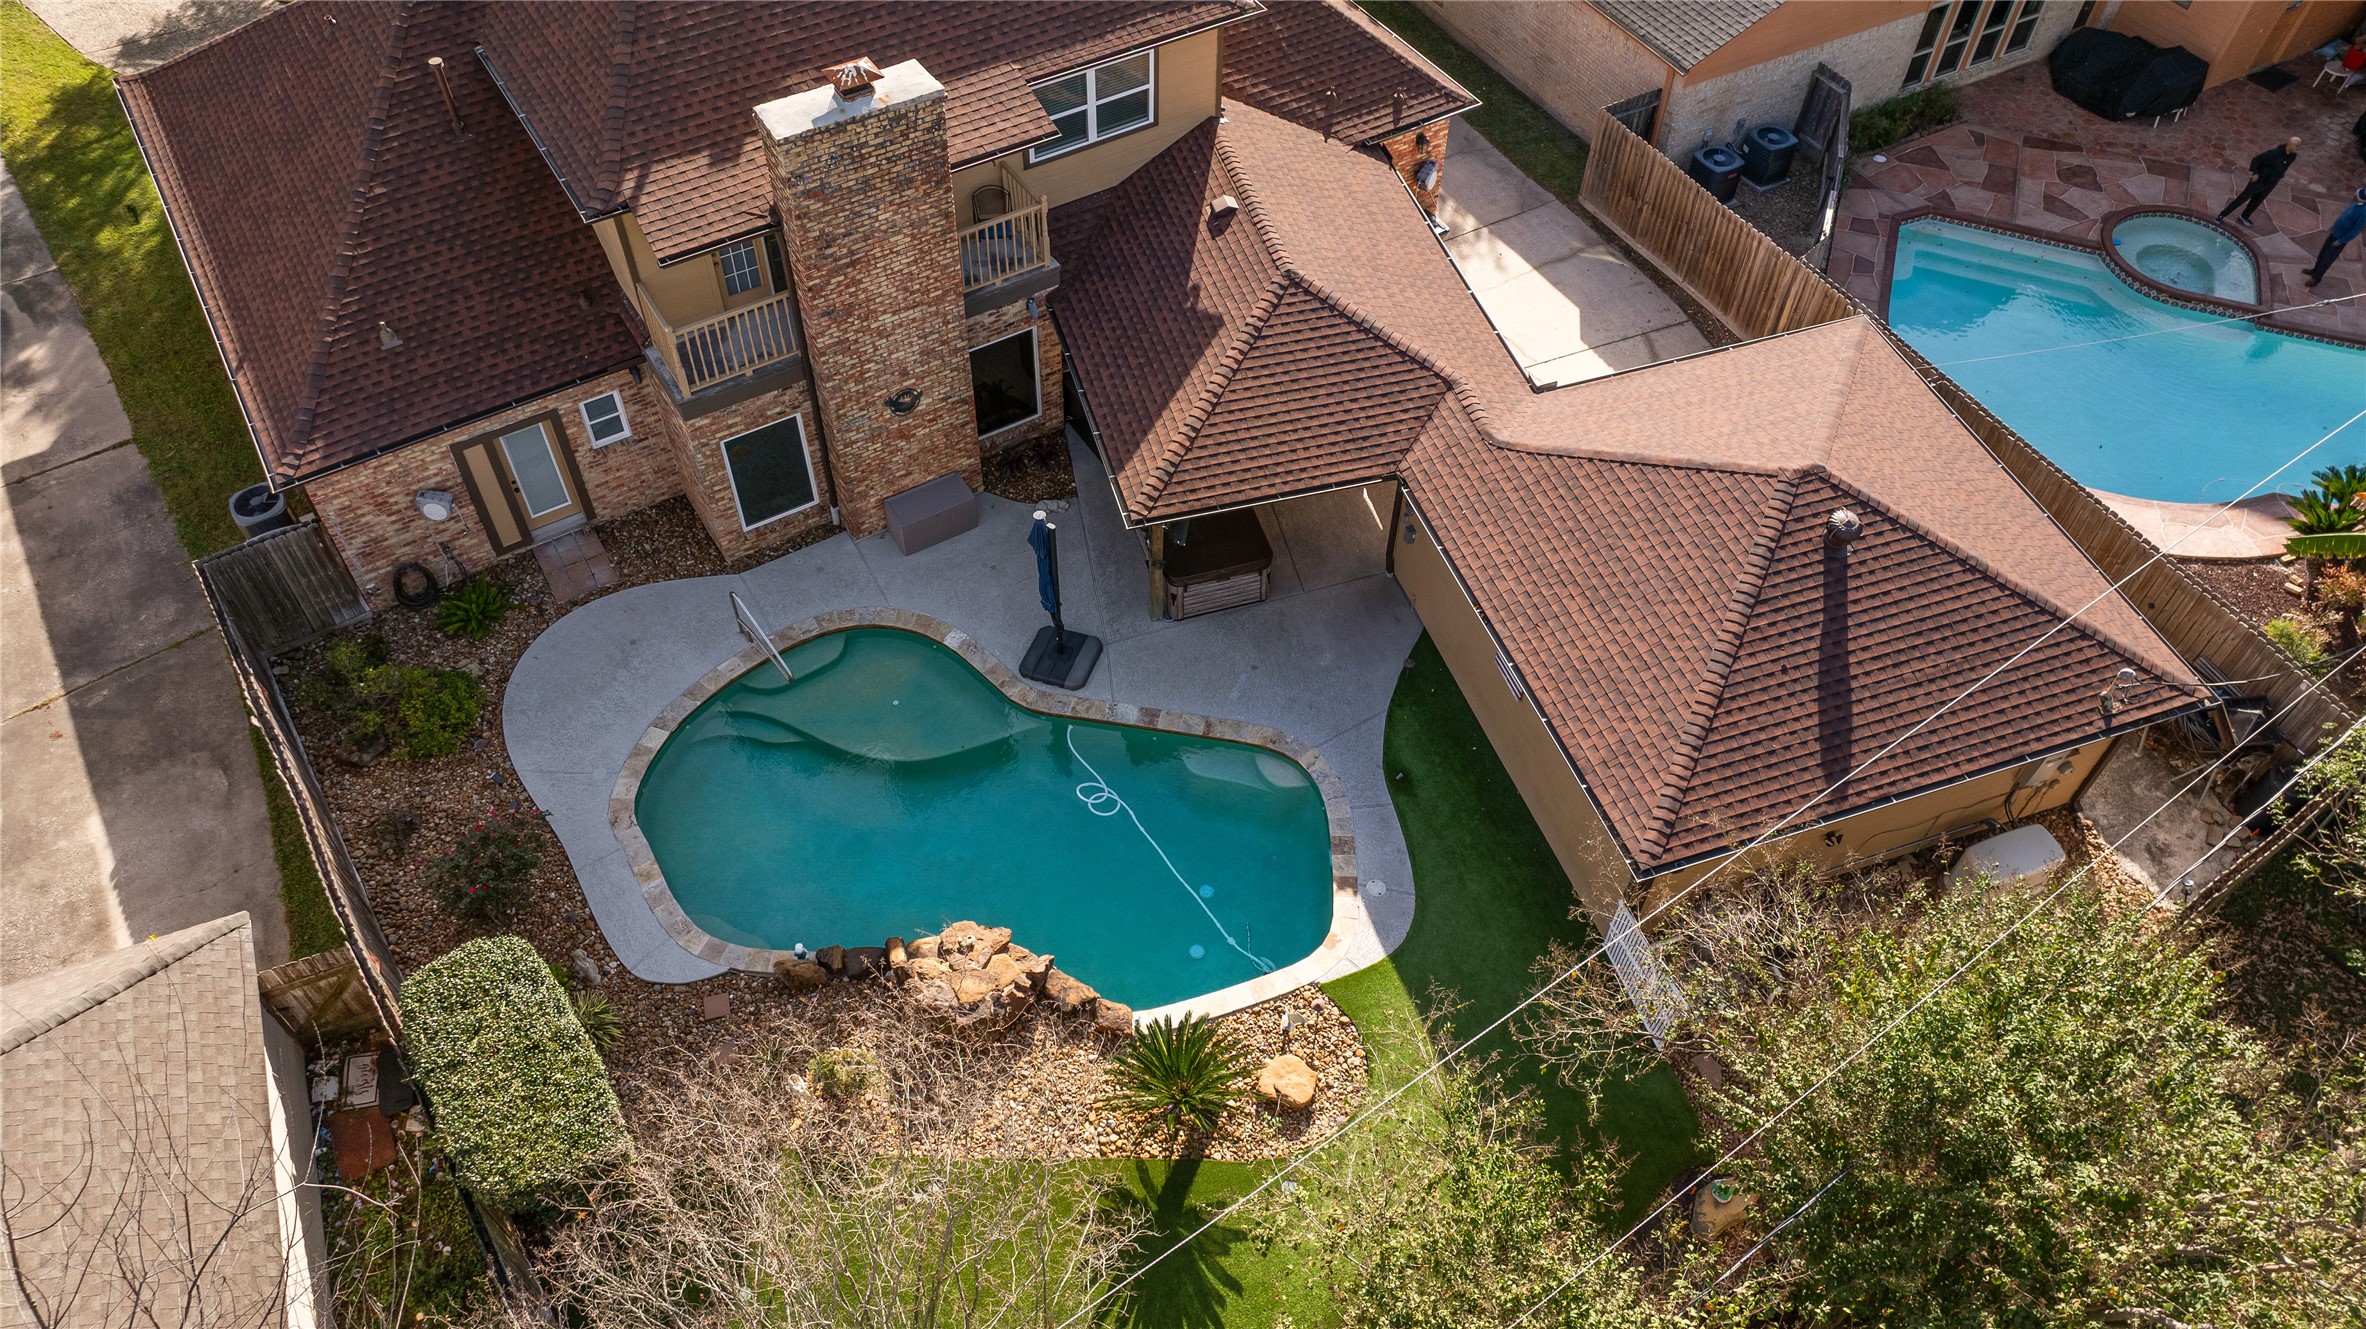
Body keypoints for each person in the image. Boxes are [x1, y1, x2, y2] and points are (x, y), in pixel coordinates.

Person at [2217, 136, 2301, 227]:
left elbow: (2284, 167)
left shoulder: (2293, 156)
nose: (2297, 148)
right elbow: (2256, 160)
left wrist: (2279, 177)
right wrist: (2255, 173)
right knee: (2242, 198)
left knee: (2257, 201)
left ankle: (2244, 216)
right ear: (2290, 145)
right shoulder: (2274, 154)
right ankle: (2222, 215)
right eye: (2296, 146)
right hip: (2259, 180)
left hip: (2271, 183)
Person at [2303, 187, 2366, 288]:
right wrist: (2333, 226)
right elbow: (2344, 215)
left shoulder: (2363, 213)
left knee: (2327, 259)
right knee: (2322, 254)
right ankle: (2314, 270)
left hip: (2340, 239)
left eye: (2356, 196)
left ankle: (2316, 278)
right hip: (2334, 233)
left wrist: (2341, 241)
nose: (2354, 196)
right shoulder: (2355, 203)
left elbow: (2355, 231)